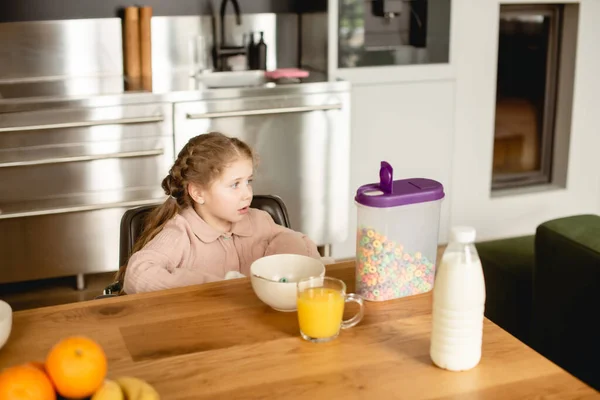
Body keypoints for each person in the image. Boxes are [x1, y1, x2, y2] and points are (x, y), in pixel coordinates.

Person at [118, 132, 321, 294]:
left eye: (248, 181)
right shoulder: (181, 233)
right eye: (234, 185)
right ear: (198, 192)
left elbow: (292, 240)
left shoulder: (259, 220)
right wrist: (215, 286)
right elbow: (137, 275)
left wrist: (287, 262)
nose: (247, 194)